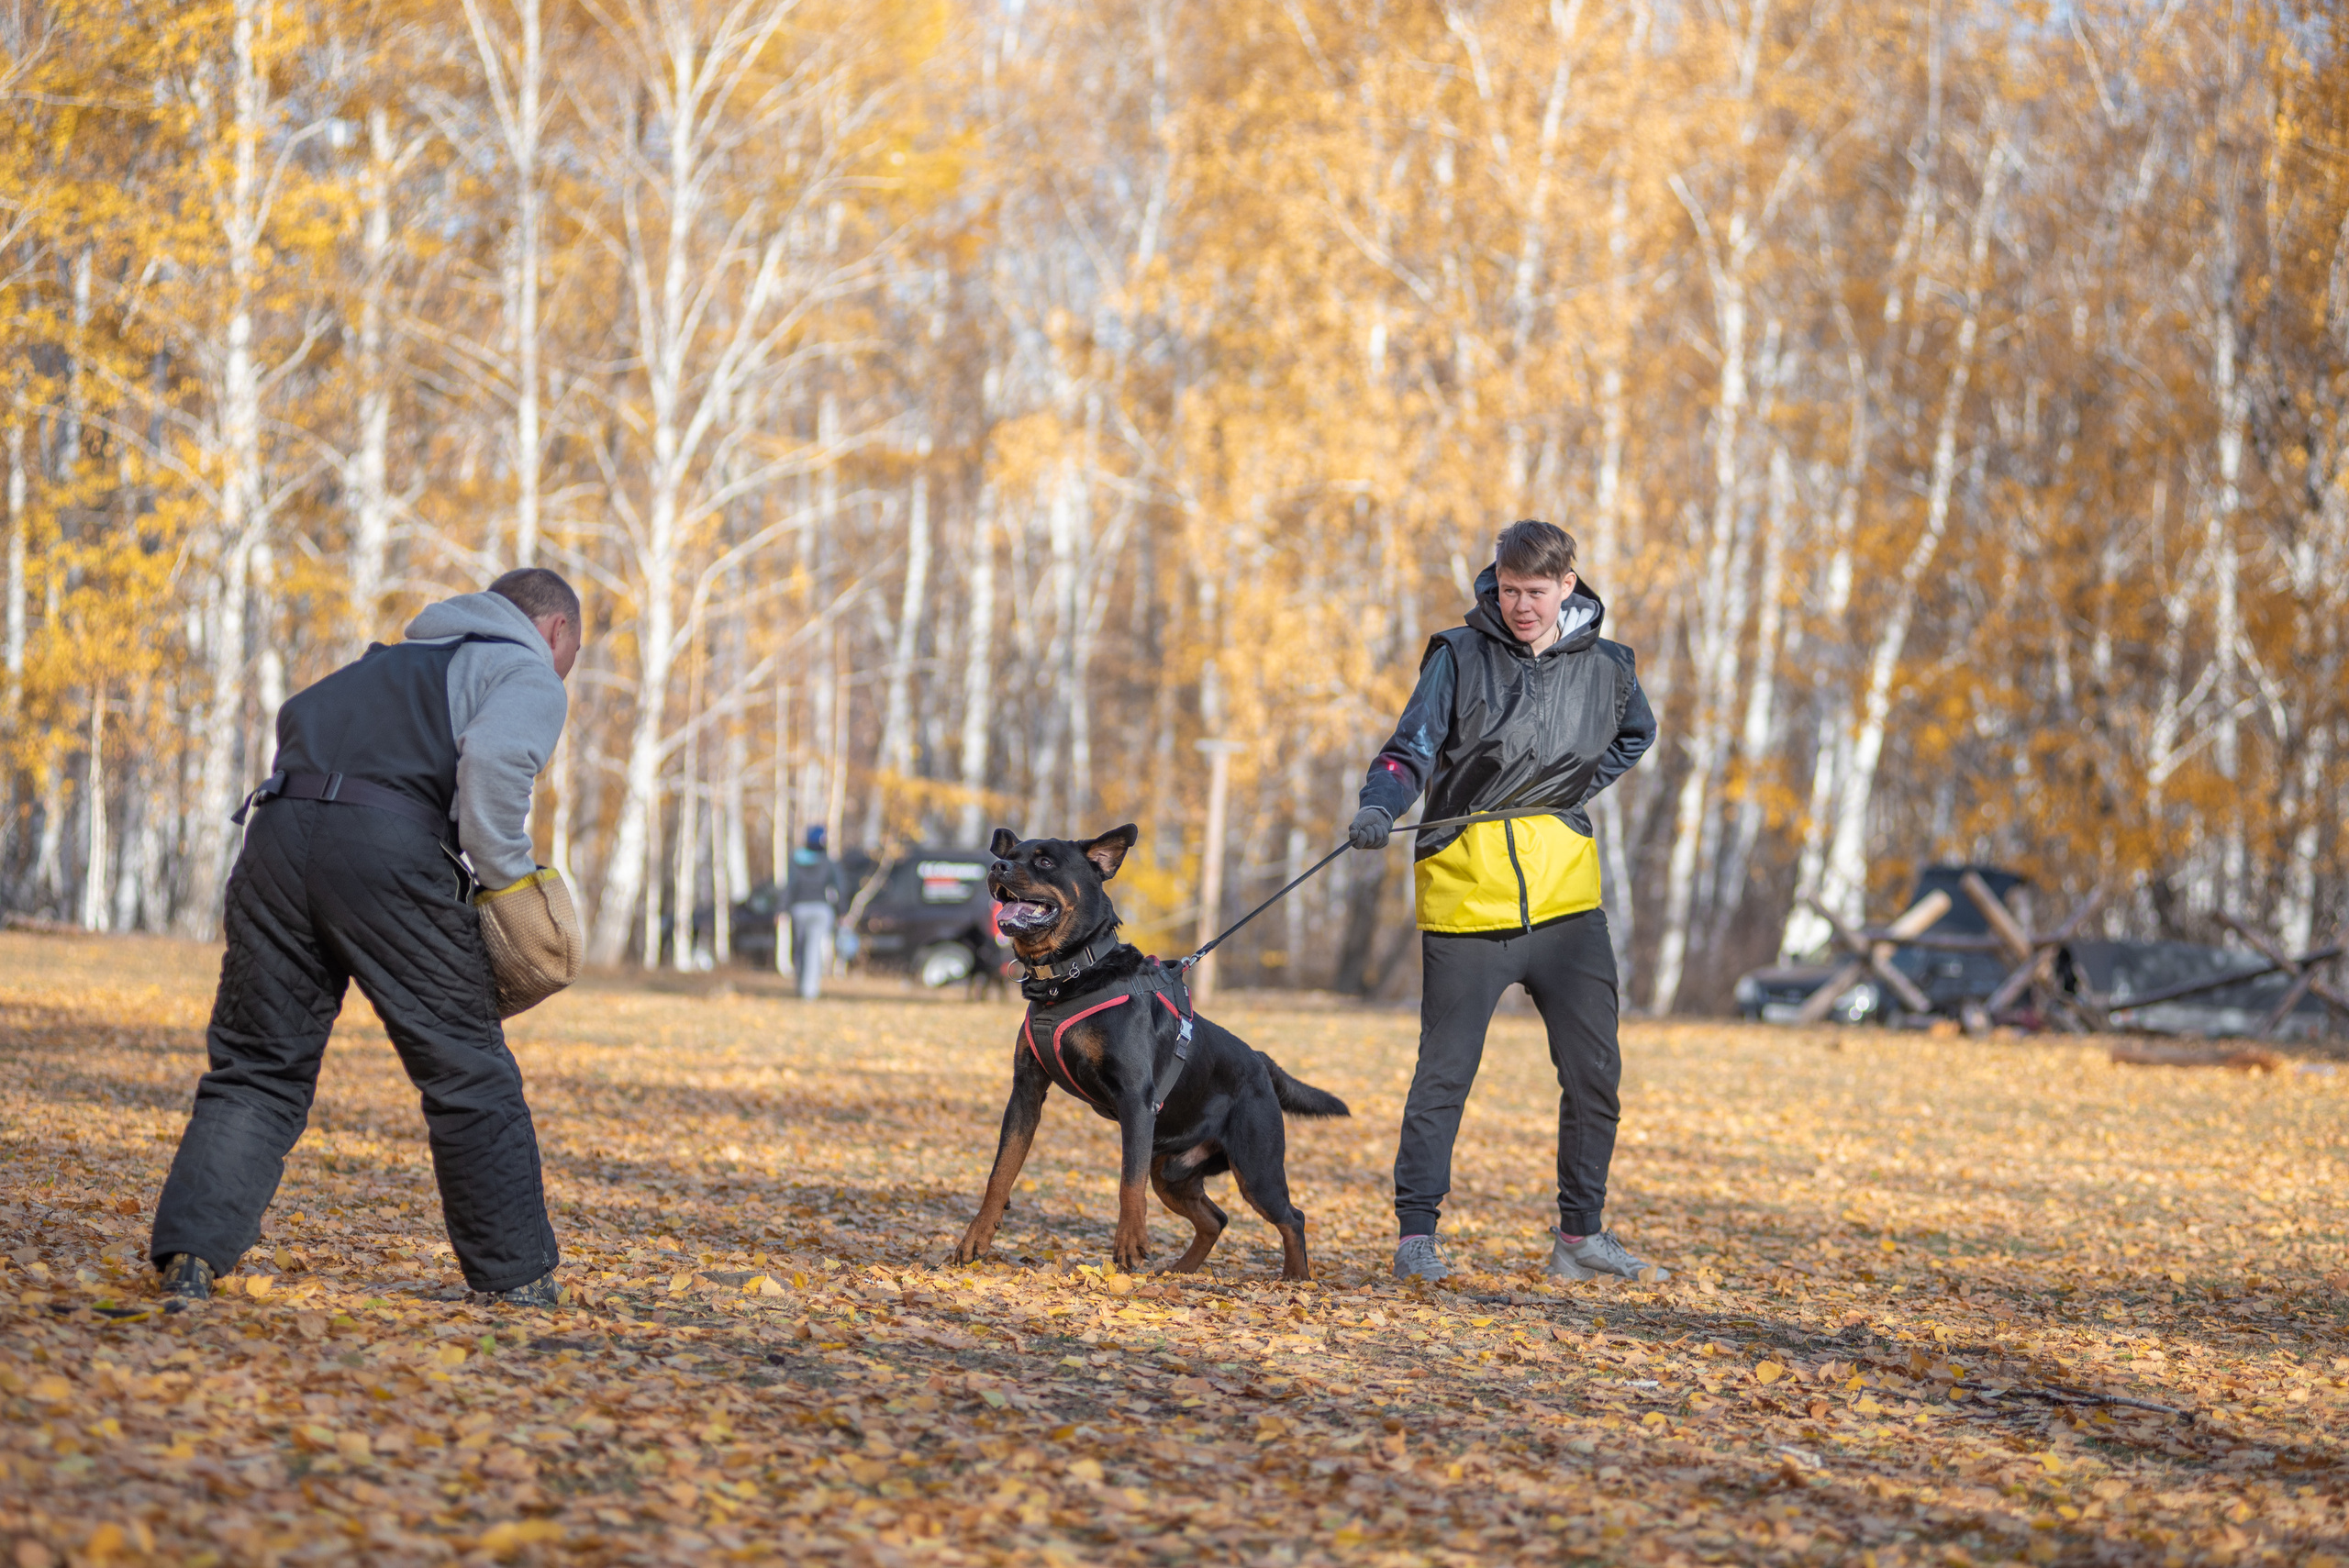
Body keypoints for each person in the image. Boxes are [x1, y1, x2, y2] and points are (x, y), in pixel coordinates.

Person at [150, 568, 584, 1307]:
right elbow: (496, 762)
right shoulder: (526, 667)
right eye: (573, 649)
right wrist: (510, 881)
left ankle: (190, 1256)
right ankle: (518, 1280)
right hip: (387, 848)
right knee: (466, 1066)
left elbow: (298, 720)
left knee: (258, 1062)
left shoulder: (386, 661)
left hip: (277, 837)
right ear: (556, 631)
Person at [1350, 520, 1663, 1284]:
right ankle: (1415, 1236)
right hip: (1469, 899)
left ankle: (1580, 1237)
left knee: (1595, 1073)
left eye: (1536, 591)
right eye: (1509, 588)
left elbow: (1635, 733)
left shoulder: (1610, 666)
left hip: (1565, 904)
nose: (1520, 604)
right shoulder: (1459, 654)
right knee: (1444, 1076)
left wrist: (1564, 795)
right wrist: (1379, 805)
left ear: (1567, 585)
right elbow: (1409, 748)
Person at [785, 826, 849, 999]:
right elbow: (840, 887)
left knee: (800, 947)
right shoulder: (828, 862)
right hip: (821, 910)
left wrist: (781, 909)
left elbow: (789, 887)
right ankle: (809, 991)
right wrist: (842, 911)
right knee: (813, 948)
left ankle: (801, 986)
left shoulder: (796, 860)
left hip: (799, 909)